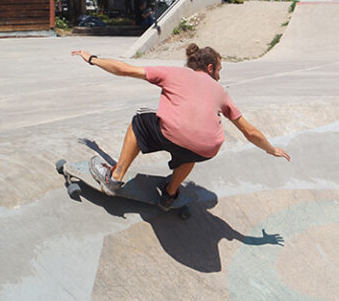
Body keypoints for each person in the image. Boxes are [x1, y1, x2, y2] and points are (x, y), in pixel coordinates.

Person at [70, 43, 290, 206]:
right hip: (206, 150)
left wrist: (92, 59)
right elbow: (249, 131)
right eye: (220, 71)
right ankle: (169, 194)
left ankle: (115, 177)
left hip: (171, 134)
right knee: (192, 151)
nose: (220, 77)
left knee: (140, 118)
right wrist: (271, 150)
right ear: (211, 68)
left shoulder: (172, 73)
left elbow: (125, 69)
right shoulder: (221, 93)